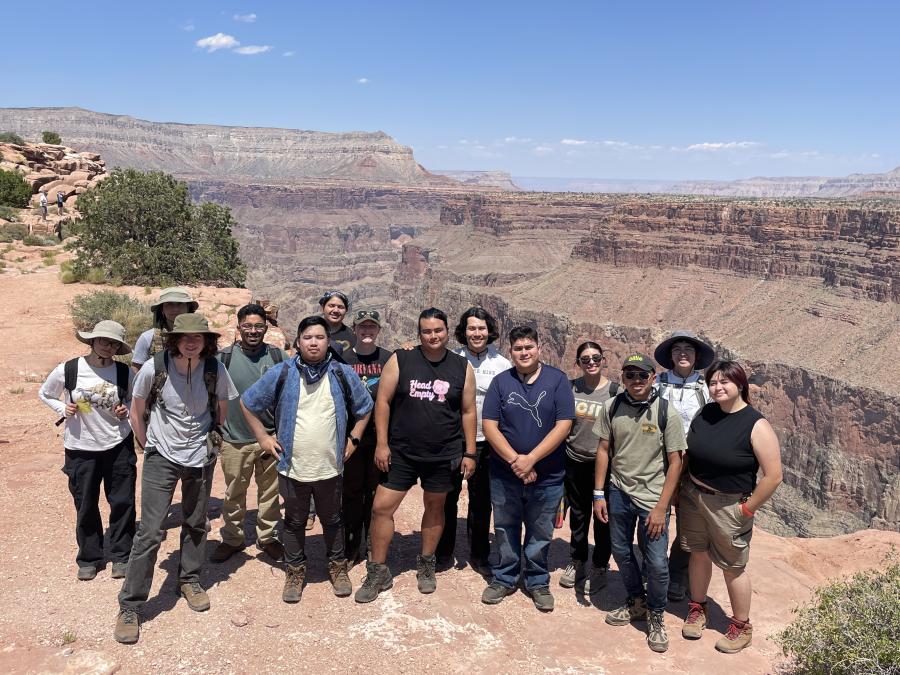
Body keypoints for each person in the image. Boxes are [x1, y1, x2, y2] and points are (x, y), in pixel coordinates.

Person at [114, 314, 238, 645]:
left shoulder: (214, 369)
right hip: (162, 456)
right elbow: (137, 406)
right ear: (175, 339)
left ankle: (189, 579)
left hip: (200, 456)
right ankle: (130, 605)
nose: (192, 341)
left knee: (197, 522)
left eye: (198, 336)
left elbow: (222, 404)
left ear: (206, 340)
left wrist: (212, 434)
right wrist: (145, 443)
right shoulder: (156, 366)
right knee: (151, 531)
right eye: (185, 336)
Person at [241, 316, 373, 604]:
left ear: (328, 342)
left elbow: (364, 407)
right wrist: (264, 438)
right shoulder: (283, 372)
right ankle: (295, 571)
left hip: (330, 465)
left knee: (332, 520)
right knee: (293, 521)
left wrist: (354, 438)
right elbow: (248, 402)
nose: (314, 342)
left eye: (320, 337)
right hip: (293, 465)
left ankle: (337, 568)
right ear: (298, 342)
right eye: (308, 337)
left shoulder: (340, 373)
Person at [355, 308, 476, 603]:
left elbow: (469, 411)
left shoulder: (462, 367)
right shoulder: (402, 359)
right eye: (426, 331)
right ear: (419, 333)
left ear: (447, 331)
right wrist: (382, 444)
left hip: (443, 452)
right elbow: (382, 402)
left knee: (435, 508)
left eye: (438, 330)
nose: (433, 336)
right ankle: (378, 570)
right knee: (382, 508)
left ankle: (426, 564)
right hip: (402, 451)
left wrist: (469, 452)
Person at [678, 360, 782, 654]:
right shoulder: (707, 412)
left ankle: (741, 626)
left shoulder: (755, 423)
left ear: (740, 385)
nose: (718, 387)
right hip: (694, 495)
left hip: (729, 504)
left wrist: (746, 510)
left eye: (725, 382)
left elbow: (774, 476)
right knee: (698, 554)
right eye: (713, 382)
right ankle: (698, 609)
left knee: (733, 566)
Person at [593, 353, 685, 653]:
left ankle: (656, 614)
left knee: (657, 563)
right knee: (620, 551)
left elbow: (675, 462)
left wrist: (662, 507)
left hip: (652, 499)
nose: (636, 381)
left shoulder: (665, 413)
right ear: (623, 378)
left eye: (642, 376)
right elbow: (604, 450)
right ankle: (636, 601)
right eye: (630, 375)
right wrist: (599, 493)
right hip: (619, 492)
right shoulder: (612, 407)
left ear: (652, 378)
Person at [480, 326, 575, 612]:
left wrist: (531, 459)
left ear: (539, 348)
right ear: (511, 351)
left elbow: (564, 425)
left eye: (528, 347)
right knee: (505, 528)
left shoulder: (557, 381)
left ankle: (536, 581)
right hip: (505, 473)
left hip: (547, 475)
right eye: (518, 348)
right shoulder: (500, 382)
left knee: (540, 530)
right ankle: (505, 578)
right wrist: (515, 461)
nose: (524, 352)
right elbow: (490, 426)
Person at [39, 321, 136, 581]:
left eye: (114, 342)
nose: (108, 346)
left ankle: (121, 555)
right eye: (103, 340)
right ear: (92, 341)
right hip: (81, 447)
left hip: (118, 444)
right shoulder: (69, 370)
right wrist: (62, 408)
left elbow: (133, 401)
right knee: (85, 504)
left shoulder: (124, 373)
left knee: (123, 502)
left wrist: (125, 410)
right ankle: (90, 558)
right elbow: (46, 393)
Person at [210, 304, 288, 564]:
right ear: (239, 327)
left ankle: (267, 538)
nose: (253, 331)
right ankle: (233, 538)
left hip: (270, 437)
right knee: (234, 491)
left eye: (258, 326)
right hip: (234, 439)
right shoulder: (224, 359)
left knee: (269, 493)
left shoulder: (278, 358)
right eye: (248, 326)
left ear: (266, 328)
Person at [436, 307, 510, 574]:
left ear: (489, 331)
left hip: (488, 443)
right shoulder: (452, 360)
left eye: (481, 328)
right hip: (454, 440)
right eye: (471, 328)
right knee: (447, 497)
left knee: (481, 500)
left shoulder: (503, 365)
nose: (476, 333)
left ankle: (479, 555)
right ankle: (443, 553)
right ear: (463, 332)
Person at [653, 329, 715, 601]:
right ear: (670, 355)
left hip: (692, 464)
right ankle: (655, 568)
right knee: (656, 514)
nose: (682, 353)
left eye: (688, 349)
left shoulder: (705, 389)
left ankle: (677, 574)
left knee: (689, 522)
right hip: (658, 461)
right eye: (677, 349)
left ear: (697, 356)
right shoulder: (656, 383)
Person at [560, 341, 619, 593]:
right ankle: (578, 560)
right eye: (585, 359)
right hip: (574, 460)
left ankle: (600, 564)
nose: (591, 363)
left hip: (604, 465)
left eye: (596, 358)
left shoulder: (615, 392)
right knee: (578, 515)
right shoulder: (570, 389)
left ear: (603, 359)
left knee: (603, 518)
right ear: (578, 364)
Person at [340, 308, 392, 565]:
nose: (367, 331)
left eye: (372, 327)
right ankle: (351, 547)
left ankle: (373, 544)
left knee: (375, 494)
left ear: (379, 330)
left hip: (379, 439)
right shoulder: (343, 358)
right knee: (350, 494)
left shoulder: (388, 359)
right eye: (363, 327)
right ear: (355, 329)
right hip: (350, 439)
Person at [131, 287, 199, 372]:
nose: (175, 309)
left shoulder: (200, 337)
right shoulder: (148, 338)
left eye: (180, 304)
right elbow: (136, 369)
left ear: (188, 308)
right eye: (169, 304)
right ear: (162, 309)